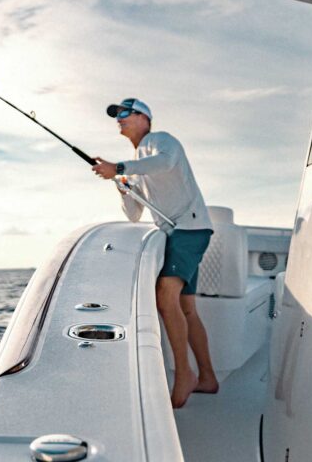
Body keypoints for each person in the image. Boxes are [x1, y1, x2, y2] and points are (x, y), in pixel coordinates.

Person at [92, 97, 219, 408]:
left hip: (188, 228)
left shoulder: (160, 141)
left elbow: (165, 163)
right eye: (116, 115)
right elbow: (134, 214)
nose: (118, 118)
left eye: (125, 113)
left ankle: (184, 374)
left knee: (166, 295)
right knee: (187, 308)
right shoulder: (137, 163)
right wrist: (121, 186)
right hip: (179, 234)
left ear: (144, 118)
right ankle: (207, 377)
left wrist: (118, 167)